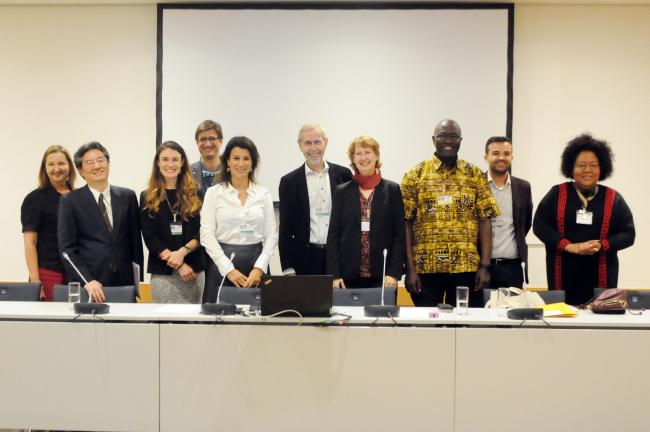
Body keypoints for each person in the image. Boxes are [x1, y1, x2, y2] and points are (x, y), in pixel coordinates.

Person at [401, 119, 500, 307]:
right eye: (443, 136)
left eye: (453, 136)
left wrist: (485, 267)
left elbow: (485, 220)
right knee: (430, 329)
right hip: (425, 270)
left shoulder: (475, 174)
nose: (448, 141)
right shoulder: (415, 175)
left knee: (463, 328)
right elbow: (406, 223)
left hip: (467, 268)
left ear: (460, 140)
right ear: (433, 139)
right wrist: (410, 269)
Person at [533, 134, 635, 305]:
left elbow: (628, 234)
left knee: (599, 325)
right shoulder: (557, 194)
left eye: (593, 165)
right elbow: (540, 225)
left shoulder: (613, 198)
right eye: (581, 165)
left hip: (602, 277)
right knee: (563, 324)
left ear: (602, 169)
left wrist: (602, 245)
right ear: (571, 168)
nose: (587, 170)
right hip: (562, 275)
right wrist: (570, 246)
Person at [58, 142, 144, 302]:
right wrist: (87, 280)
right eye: (90, 163)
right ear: (81, 170)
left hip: (125, 284)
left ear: (108, 163)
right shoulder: (70, 201)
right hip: (91, 284)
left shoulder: (128, 196)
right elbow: (67, 250)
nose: (97, 166)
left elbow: (136, 245)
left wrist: (138, 284)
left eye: (101, 160)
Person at [200, 136, 277, 302]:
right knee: (219, 322)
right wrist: (228, 269)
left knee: (259, 322)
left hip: (256, 265)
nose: (241, 164)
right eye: (236, 158)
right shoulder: (214, 193)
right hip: (222, 265)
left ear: (252, 163)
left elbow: (271, 235)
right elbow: (206, 235)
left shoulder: (263, 194)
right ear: (227, 161)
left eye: (246, 158)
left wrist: (259, 268)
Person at [327, 136, 405, 288]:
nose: (363, 158)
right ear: (353, 159)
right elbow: (333, 236)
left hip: (383, 276)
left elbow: (399, 236)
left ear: (376, 156)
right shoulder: (341, 192)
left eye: (368, 152)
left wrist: (394, 272)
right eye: (358, 153)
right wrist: (335, 274)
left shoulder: (392, 190)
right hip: (347, 276)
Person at [279, 123, 352, 275]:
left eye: (317, 142)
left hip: (338, 257)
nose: (313, 148)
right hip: (305, 260)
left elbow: (351, 221)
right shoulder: (289, 182)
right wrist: (288, 267)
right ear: (300, 146)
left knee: (338, 300)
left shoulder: (344, 175)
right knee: (308, 300)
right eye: (307, 143)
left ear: (325, 142)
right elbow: (285, 228)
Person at [140, 141, 205, 303]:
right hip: (163, 273)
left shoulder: (197, 193)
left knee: (193, 325)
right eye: (165, 159)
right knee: (164, 325)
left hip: (193, 271)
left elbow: (204, 231)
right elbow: (149, 237)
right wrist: (179, 264)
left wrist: (182, 253)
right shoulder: (147, 196)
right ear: (158, 163)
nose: (170, 164)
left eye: (175, 159)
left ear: (182, 163)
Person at [21, 145, 77, 301]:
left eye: (61, 163)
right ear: (44, 168)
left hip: (77, 272)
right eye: (51, 164)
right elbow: (30, 244)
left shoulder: (78, 196)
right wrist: (35, 281)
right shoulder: (35, 199)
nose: (56, 169)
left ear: (70, 167)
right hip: (48, 272)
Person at [483, 136, 533, 288]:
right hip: (480, 268)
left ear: (512, 157)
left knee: (511, 310)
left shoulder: (523, 187)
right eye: (496, 153)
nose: (501, 158)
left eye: (506, 153)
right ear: (486, 157)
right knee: (478, 310)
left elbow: (525, 223)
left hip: (513, 268)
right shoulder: (475, 185)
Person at [191, 119, 223, 198]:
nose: (208, 144)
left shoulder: (232, 171)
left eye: (212, 139)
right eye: (203, 139)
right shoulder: (187, 172)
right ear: (197, 142)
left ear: (221, 141)